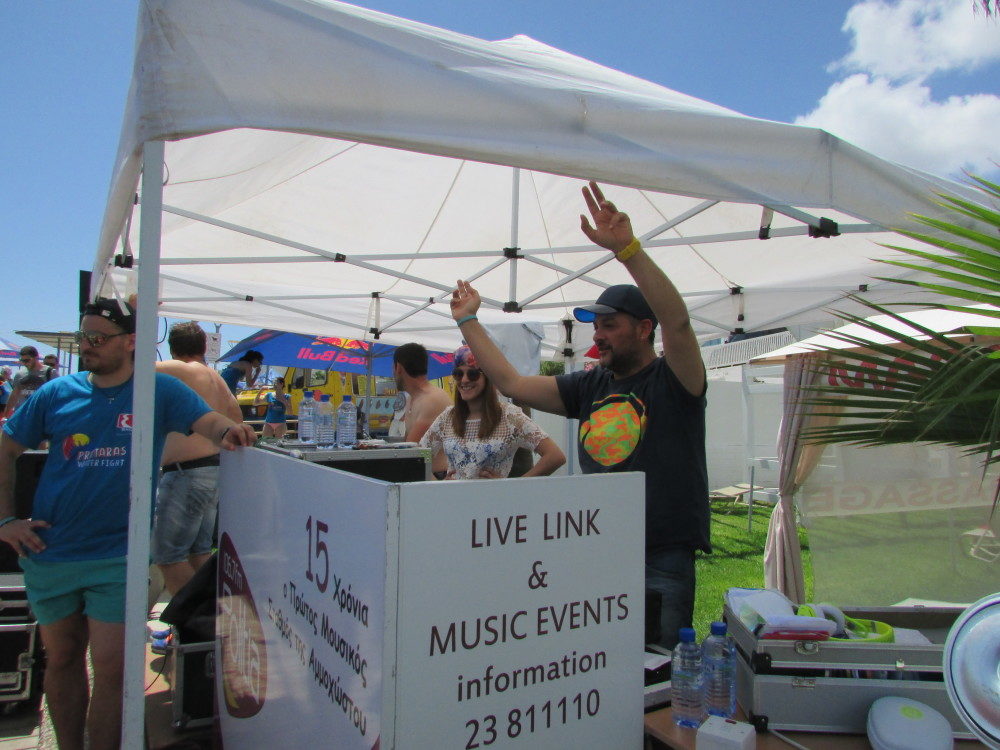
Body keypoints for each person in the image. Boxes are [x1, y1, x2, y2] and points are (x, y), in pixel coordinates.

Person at [448, 181, 709, 649]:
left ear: (644, 329)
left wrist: (628, 251)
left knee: (658, 665)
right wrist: (468, 320)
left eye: (610, 324)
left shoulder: (674, 380)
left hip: (661, 554)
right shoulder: (592, 384)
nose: (599, 335)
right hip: (600, 545)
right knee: (600, 657)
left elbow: (679, 322)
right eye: (596, 326)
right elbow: (512, 383)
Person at [0, 298, 256, 750]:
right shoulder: (56, 393)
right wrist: (6, 521)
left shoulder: (158, 389)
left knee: (113, 669)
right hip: (50, 552)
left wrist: (231, 433)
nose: (87, 346)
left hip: (119, 555)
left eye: (98, 338)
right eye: (83, 336)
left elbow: (211, 421)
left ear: (131, 341)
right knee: (62, 659)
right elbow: (5, 449)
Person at [153, 321, 245, 597]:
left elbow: (129, 371)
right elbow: (237, 419)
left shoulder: (175, 369)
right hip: (213, 471)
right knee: (199, 551)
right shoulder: (216, 378)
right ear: (204, 347)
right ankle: (211, 612)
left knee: (168, 556)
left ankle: (191, 619)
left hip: (186, 472)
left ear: (172, 348)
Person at [420, 345, 565, 480]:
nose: (464, 380)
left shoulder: (509, 416)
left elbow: (555, 456)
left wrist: (513, 486)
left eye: (472, 374)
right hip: (454, 498)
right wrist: (437, 485)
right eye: (458, 374)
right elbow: (418, 457)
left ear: (488, 377)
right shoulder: (448, 417)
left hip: (495, 499)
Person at [391, 343, 451, 442]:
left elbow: (413, 447)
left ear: (398, 368)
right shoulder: (412, 399)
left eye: (392, 368)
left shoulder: (431, 400)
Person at [3, 346, 57, 419]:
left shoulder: (50, 373)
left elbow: (57, 395)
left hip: (41, 417)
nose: (25, 363)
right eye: (22, 360)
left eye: (27, 360)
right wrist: (5, 416)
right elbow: (14, 395)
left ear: (36, 358)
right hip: (22, 416)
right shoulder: (20, 374)